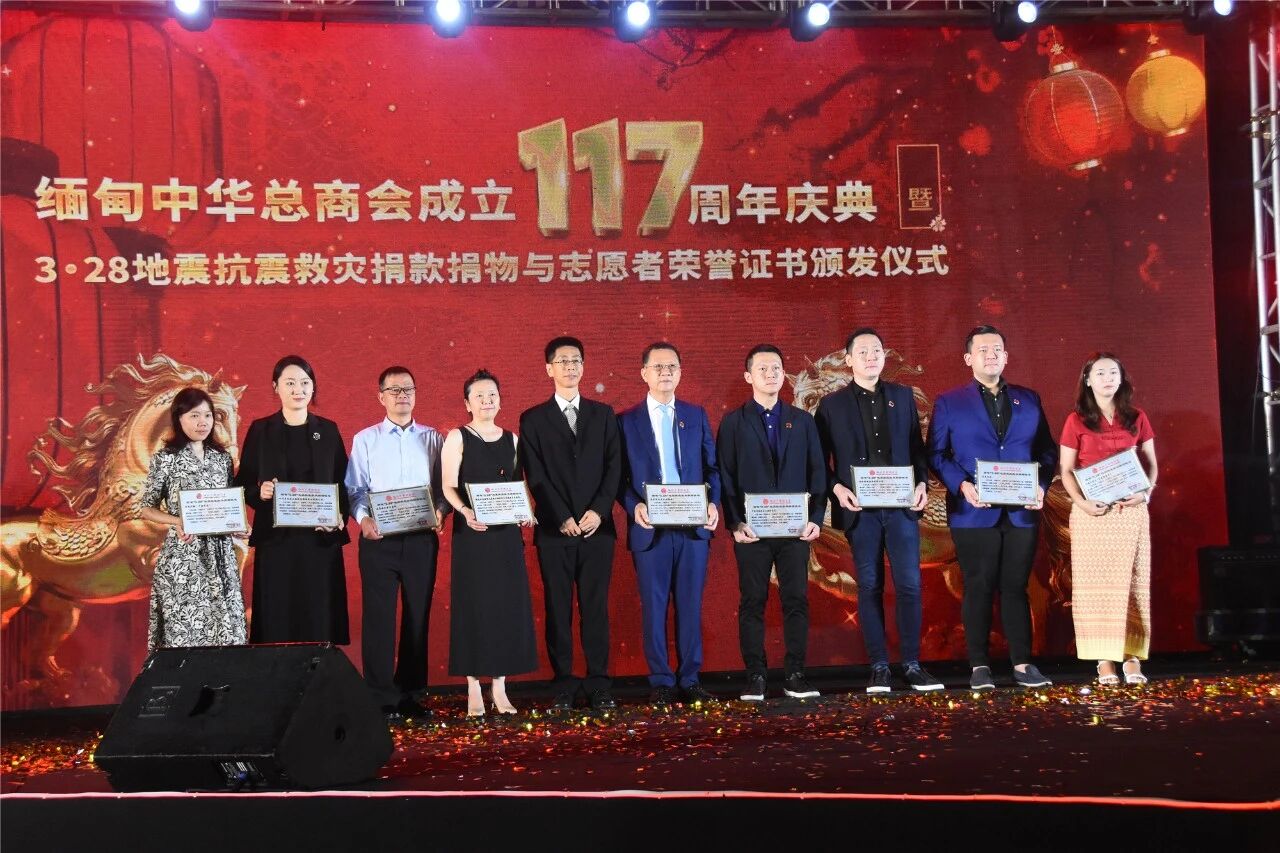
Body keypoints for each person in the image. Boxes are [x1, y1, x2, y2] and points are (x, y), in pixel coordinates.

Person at [927, 325, 1058, 691]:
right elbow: (936, 453)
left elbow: (1047, 451)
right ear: (968, 358)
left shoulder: (1028, 399)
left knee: (1016, 586)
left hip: (1021, 510)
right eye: (983, 349)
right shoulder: (950, 402)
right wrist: (962, 485)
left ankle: (1023, 664)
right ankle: (979, 666)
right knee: (978, 585)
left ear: (1006, 356)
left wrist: (1041, 485)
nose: (991, 355)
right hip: (973, 510)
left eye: (997, 349)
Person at [816, 328, 943, 694]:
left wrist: (921, 483)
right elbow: (818, 460)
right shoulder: (831, 405)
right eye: (863, 351)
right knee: (869, 585)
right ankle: (879, 667)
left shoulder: (902, 397)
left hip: (902, 508)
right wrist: (836, 488)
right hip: (860, 510)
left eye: (877, 350)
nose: (871, 356)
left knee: (910, 585)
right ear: (848, 359)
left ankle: (912, 665)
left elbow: (916, 448)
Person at [518, 337, 622, 713]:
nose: (570, 367)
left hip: (597, 530)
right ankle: (563, 683)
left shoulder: (603, 414)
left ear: (584, 366)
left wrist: (599, 511)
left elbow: (615, 467)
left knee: (595, 609)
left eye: (576, 360)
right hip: (554, 530)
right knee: (557, 607)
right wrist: (561, 515)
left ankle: (599, 683)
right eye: (562, 361)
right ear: (549, 369)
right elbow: (535, 474)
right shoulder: (532, 419)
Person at [717, 344, 824, 702]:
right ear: (748, 376)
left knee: (796, 600)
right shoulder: (733, 423)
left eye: (776, 367)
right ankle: (756, 676)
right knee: (753, 601)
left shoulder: (803, 421)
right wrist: (735, 522)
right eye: (762, 368)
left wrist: (815, 519)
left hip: (796, 531)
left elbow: (818, 473)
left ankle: (795, 674)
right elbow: (725, 476)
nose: (771, 374)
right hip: (751, 532)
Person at [618, 342, 722, 704]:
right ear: (644, 373)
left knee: (690, 605)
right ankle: (661, 680)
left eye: (672, 367)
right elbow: (618, 477)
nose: (666, 373)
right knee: (654, 605)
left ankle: (690, 678)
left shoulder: (695, 414)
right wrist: (633, 506)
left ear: (680, 372)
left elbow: (712, 467)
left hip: (693, 526)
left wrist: (713, 504)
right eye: (658, 367)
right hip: (651, 528)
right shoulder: (626, 421)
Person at [344, 365, 446, 720]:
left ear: (415, 395)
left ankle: (410, 694)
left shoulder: (433, 438)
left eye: (408, 389)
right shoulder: (365, 439)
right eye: (394, 390)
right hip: (379, 540)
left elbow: (443, 489)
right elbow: (355, 489)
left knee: (418, 615)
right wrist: (363, 520)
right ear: (381, 396)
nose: (402, 396)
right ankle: (380, 697)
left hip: (420, 540)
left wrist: (441, 511)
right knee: (379, 618)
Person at [441, 369, 539, 718]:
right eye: (479, 395)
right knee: (473, 605)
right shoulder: (458, 437)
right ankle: (472, 684)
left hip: (505, 537)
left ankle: (499, 684)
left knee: (504, 606)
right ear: (467, 403)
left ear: (500, 400)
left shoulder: (512, 439)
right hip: (473, 533)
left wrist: (526, 511)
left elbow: (516, 484)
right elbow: (447, 485)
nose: (487, 401)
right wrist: (465, 512)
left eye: (492, 395)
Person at [1057, 353, 1158, 686]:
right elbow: (1066, 470)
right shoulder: (1076, 420)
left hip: (1130, 512)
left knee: (1132, 583)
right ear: (1087, 380)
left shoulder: (1137, 416)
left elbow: (1151, 463)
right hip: (1093, 515)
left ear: (1122, 378)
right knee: (1095, 587)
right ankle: (1103, 660)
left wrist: (1146, 493)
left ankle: (1131, 657)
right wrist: (1082, 503)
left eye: (1113, 372)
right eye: (1100, 373)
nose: (1107, 378)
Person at [236, 355, 350, 645]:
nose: (298, 389)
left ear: (313, 387)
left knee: (319, 619)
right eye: (289, 383)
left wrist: (339, 517)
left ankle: (319, 671)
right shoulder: (261, 430)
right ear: (275, 387)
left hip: (319, 541)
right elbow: (242, 484)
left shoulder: (328, 430)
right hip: (277, 542)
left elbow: (343, 483)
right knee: (277, 618)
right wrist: (259, 492)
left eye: (305, 382)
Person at [140, 387, 248, 650]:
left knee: (225, 632)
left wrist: (239, 525)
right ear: (179, 418)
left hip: (221, 557)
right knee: (185, 632)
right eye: (194, 415)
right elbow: (146, 508)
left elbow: (226, 505)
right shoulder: (165, 459)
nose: (203, 422)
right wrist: (177, 521)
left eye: (208, 415)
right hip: (184, 556)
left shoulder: (222, 459)